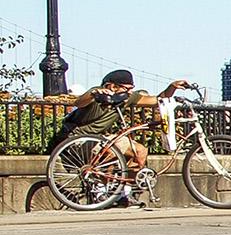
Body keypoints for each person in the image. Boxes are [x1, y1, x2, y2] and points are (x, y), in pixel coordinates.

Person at [51, 70, 192, 173]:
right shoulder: (97, 93)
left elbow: (156, 100)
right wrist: (94, 94)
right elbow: (80, 102)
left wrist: (172, 87)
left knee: (141, 152)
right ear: (112, 87)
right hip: (77, 138)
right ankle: (102, 188)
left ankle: (124, 190)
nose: (130, 92)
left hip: (101, 138)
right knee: (111, 151)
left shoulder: (126, 97)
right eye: (127, 88)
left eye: (132, 89)